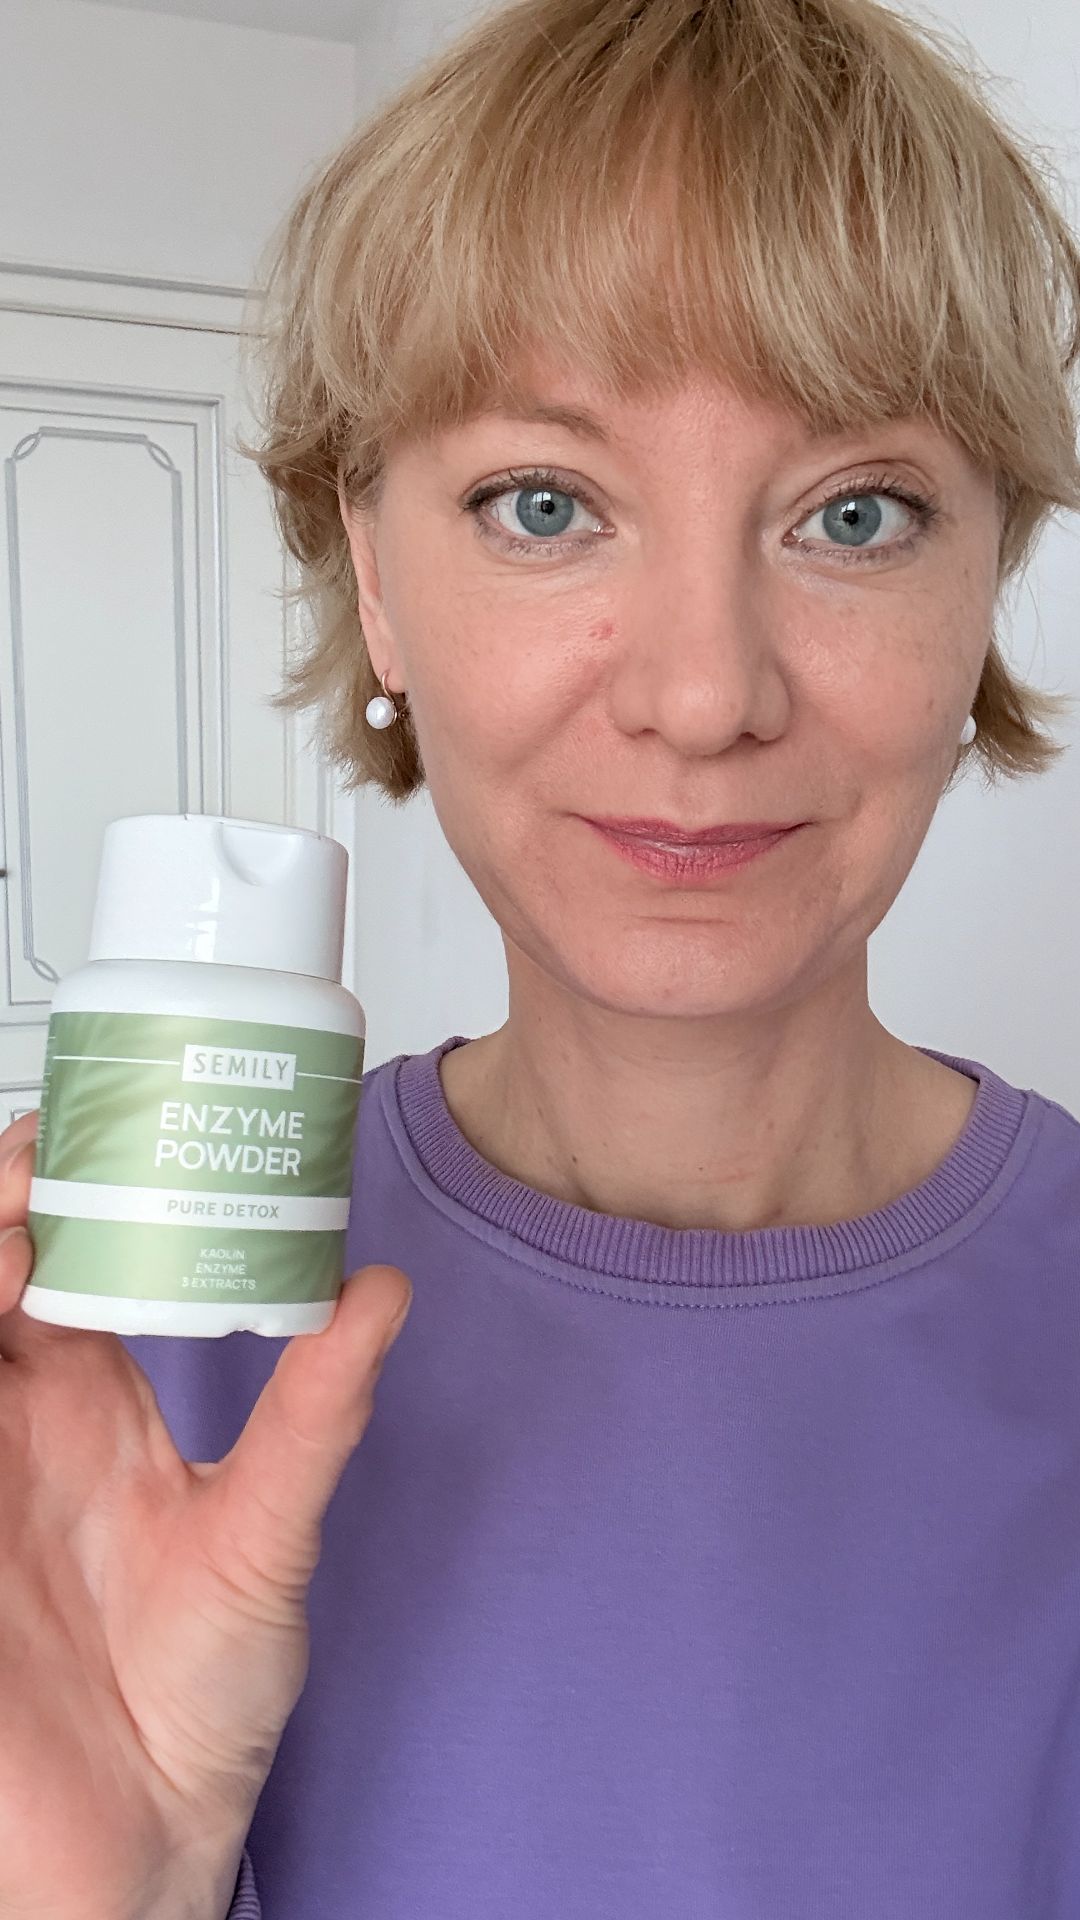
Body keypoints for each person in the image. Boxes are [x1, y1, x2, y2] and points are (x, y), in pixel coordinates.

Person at [2, 0, 1080, 1913]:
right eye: (546, 505)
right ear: (375, 574)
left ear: (985, 576)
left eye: (854, 513)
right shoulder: (117, 1349)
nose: (702, 693)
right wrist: (131, 1880)